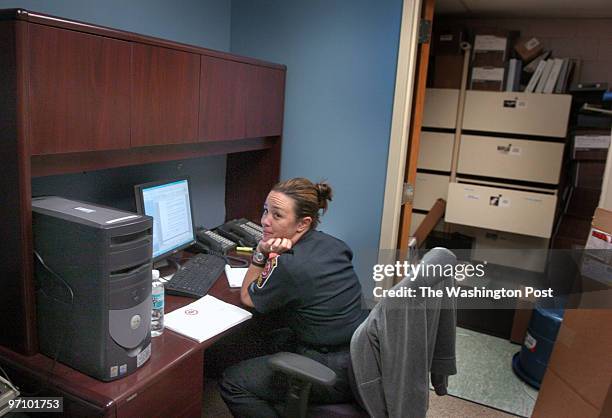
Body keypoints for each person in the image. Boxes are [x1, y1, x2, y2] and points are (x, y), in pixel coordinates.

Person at [219, 178, 367, 418]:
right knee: (262, 336)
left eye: (277, 216)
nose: (265, 221)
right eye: (265, 210)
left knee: (233, 382)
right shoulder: (334, 244)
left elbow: (247, 297)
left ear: (302, 224)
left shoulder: (290, 266)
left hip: (330, 371)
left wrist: (260, 253)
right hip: (357, 354)